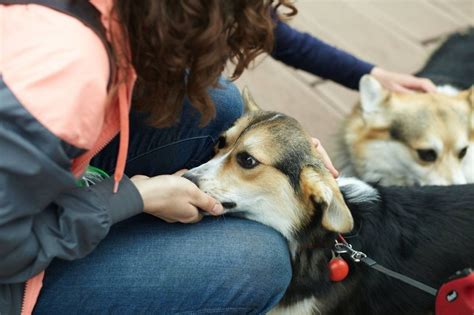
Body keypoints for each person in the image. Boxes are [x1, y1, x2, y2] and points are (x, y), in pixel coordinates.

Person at [0, 1, 436, 314]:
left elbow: (254, 21)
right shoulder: (61, 73)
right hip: (12, 277)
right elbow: (8, 249)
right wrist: (138, 197)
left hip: (33, 186)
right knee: (256, 260)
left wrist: (361, 77)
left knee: (216, 102)